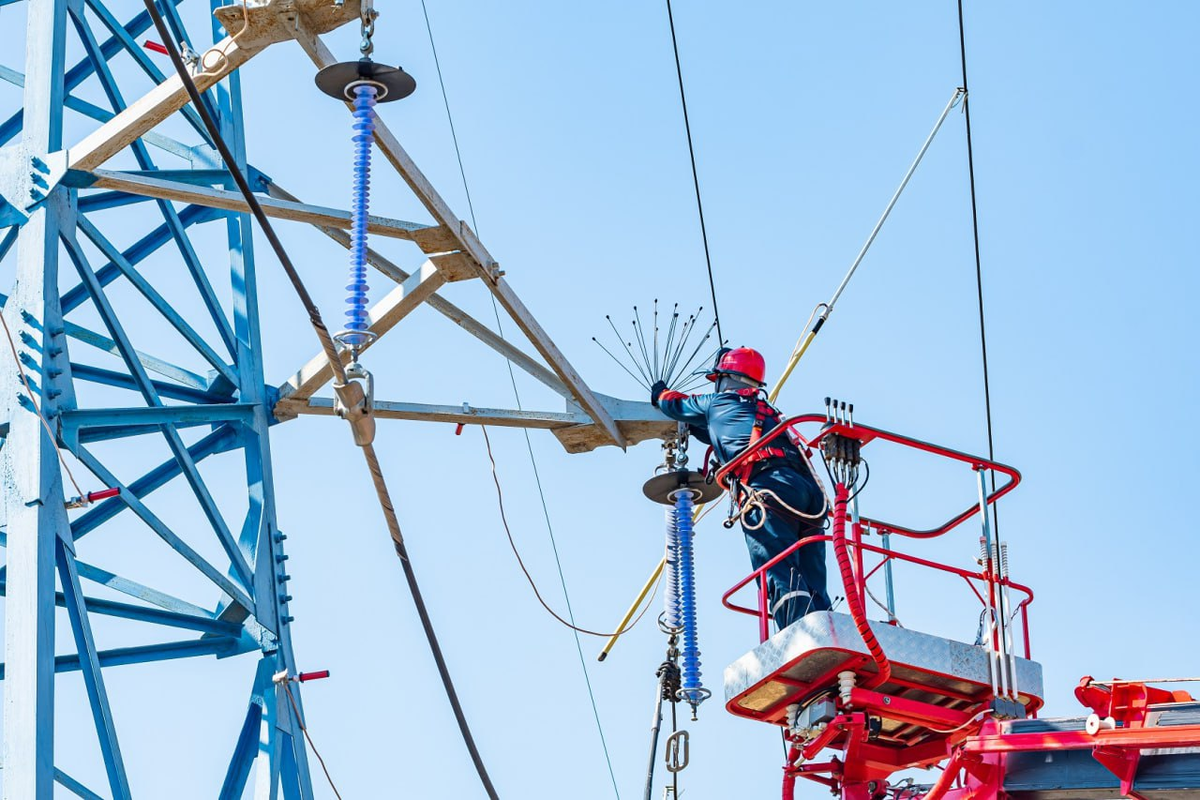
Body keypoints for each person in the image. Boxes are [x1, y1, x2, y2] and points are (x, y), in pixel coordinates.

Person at [651, 347, 830, 630]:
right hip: (809, 494)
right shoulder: (767, 412)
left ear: (726, 378)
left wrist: (659, 392)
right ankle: (826, 628)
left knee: (777, 567)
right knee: (811, 570)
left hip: (769, 489)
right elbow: (714, 431)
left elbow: (674, 404)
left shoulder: (716, 403)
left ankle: (798, 633)